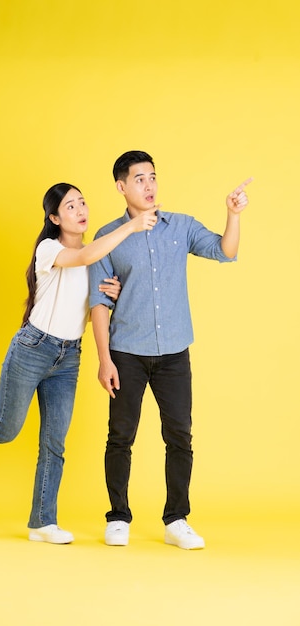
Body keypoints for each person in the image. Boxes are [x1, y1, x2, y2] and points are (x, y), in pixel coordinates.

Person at [0, 182, 157, 544]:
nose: (80, 210)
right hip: (33, 348)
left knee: (54, 443)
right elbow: (82, 257)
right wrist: (131, 225)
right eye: (70, 206)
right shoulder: (50, 249)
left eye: (82, 202)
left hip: (69, 357)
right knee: (5, 428)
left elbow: (99, 304)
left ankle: (43, 522)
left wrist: (117, 293)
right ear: (54, 217)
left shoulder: (97, 256)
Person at [89, 151, 252, 549]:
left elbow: (225, 251)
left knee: (180, 435)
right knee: (120, 436)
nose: (148, 186)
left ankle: (176, 518)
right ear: (121, 187)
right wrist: (104, 358)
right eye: (139, 179)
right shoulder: (109, 237)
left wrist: (233, 214)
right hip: (126, 351)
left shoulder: (180, 226)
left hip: (174, 353)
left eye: (153, 178)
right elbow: (98, 302)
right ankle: (118, 517)